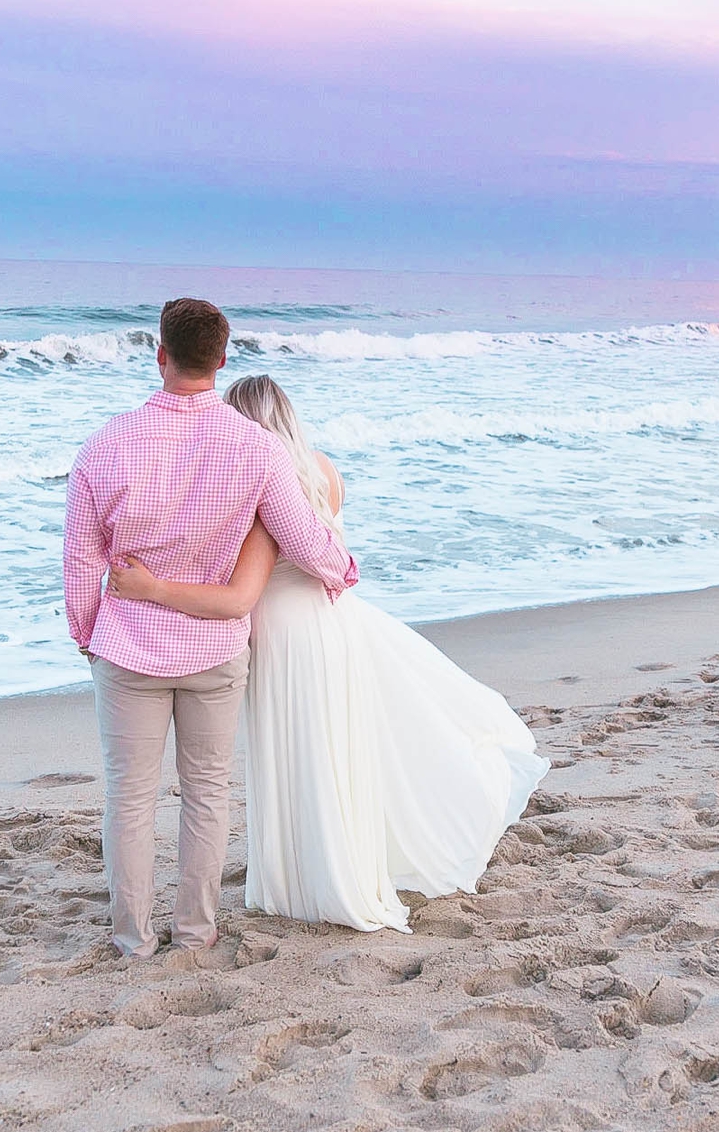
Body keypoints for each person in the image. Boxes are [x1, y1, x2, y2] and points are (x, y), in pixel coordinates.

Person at [107, 374, 548, 933]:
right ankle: (337, 865)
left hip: (288, 636)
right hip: (335, 625)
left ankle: (311, 883)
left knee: (303, 756)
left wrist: (154, 590)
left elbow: (243, 592)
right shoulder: (324, 471)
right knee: (334, 751)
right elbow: (333, 554)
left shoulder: (266, 492)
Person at [62, 299, 358, 959]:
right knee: (207, 791)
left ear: (160, 355)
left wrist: (87, 632)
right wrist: (343, 569)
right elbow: (305, 539)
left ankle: (132, 939)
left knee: (130, 797)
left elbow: (81, 562)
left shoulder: (105, 445)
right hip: (215, 651)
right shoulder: (255, 448)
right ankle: (196, 932)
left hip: (128, 648)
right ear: (222, 362)